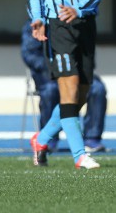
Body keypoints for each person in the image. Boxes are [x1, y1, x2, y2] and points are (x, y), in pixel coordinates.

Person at [27, 0, 106, 170]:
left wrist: (80, 10)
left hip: (85, 25)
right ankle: (79, 155)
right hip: (57, 25)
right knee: (69, 89)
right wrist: (37, 18)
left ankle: (42, 138)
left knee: (82, 94)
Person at [21, 20, 107, 154]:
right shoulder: (36, 23)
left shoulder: (76, 20)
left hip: (74, 71)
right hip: (48, 74)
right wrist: (54, 68)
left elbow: (85, 54)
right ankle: (49, 139)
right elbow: (29, 54)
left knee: (97, 88)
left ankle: (92, 139)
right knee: (51, 91)